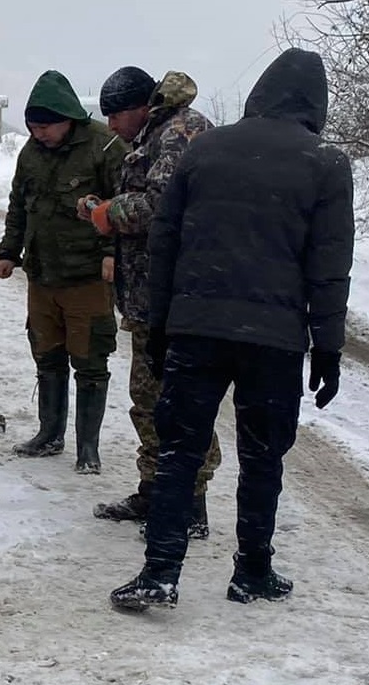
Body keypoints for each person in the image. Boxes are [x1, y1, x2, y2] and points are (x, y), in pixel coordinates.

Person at [111, 48, 353, 611]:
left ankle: (159, 571)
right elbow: (329, 263)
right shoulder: (324, 162)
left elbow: (165, 241)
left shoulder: (207, 148)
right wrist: (329, 346)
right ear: (315, 103)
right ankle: (253, 571)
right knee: (263, 455)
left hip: (197, 329)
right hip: (274, 339)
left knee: (179, 450)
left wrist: (162, 323)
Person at [77, 68, 219, 536]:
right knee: (148, 399)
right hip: (149, 298)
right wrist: (108, 207)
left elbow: (162, 208)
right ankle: (155, 492)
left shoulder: (181, 132)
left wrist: (107, 214)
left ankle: (189, 504)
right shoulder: (154, 135)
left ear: (141, 105)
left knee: (175, 402)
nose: (112, 127)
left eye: (115, 115)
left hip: (177, 299)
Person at [0, 70, 125, 473]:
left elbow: (125, 205)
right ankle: (50, 433)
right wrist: (8, 251)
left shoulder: (105, 146)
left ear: (69, 117)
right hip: (42, 274)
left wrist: (110, 254)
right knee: (47, 357)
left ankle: (89, 448)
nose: (39, 134)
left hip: (87, 275)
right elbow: (19, 204)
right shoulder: (30, 153)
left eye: (46, 126)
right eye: (33, 127)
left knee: (89, 362)